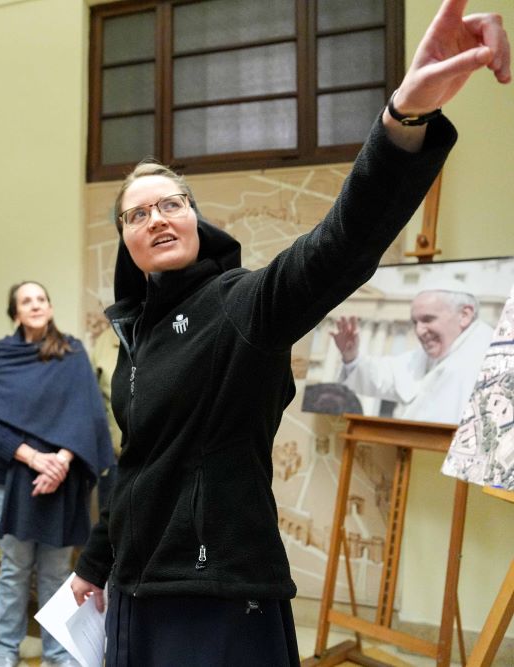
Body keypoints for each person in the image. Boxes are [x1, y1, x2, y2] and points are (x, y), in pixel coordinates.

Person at [68, 2, 511, 664]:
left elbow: (337, 248)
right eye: (137, 213)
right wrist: (94, 564)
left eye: (170, 203)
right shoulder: (137, 338)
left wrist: (403, 119)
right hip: (135, 591)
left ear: (196, 220)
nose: (156, 218)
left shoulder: (241, 303)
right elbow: (139, 464)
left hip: (218, 595)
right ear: (126, 241)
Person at [0, 281, 112, 667]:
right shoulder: (1, 356)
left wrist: (63, 460)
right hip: (10, 476)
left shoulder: (71, 353)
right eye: (26, 301)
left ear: (50, 307)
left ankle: (57, 651)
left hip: (64, 480)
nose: (35, 306)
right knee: (15, 567)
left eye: (41, 299)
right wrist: (35, 459)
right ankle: (4, 649)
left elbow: (89, 416)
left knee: (56, 569)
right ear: (15, 312)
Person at [332, 289, 494, 424]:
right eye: (415, 323)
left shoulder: (489, 355)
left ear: (464, 315)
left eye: (428, 319)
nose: (419, 331)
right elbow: (384, 375)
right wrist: (351, 356)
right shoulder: (428, 354)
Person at [90, 324, 122, 511]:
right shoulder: (105, 341)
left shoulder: (169, 328)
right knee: (111, 531)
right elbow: (91, 404)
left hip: (160, 460)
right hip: (114, 461)